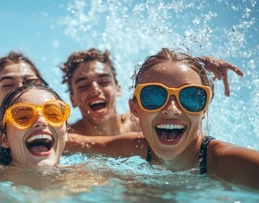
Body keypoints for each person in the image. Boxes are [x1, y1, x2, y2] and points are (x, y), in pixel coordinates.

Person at [68, 48, 259, 190]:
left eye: (191, 96)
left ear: (205, 107)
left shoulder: (221, 159)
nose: (171, 109)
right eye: (153, 96)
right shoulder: (139, 144)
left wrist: (194, 64)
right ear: (135, 107)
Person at [61, 48, 244, 136]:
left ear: (118, 89)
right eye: (83, 86)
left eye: (103, 81)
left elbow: (166, 87)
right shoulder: (68, 136)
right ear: (73, 99)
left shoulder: (140, 122)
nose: (95, 89)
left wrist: (197, 66)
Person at [0, 84, 69, 167]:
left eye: (53, 115)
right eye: (23, 117)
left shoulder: (81, 177)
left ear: (66, 134)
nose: (40, 121)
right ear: (4, 139)